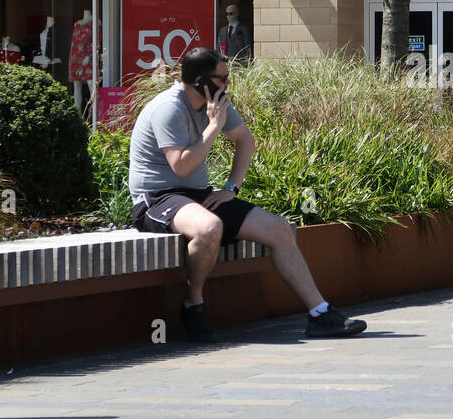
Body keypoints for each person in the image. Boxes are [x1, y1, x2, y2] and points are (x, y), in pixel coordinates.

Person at [128, 47, 367, 342]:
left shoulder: (216, 102)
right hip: (158, 198)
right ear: (202, 80)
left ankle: (320, 314)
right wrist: (214, 126)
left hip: (197, 195)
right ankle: (194, 305)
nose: (228, 84)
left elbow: (245, 140)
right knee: (209, 228)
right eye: (223, 79)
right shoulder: (169, 108)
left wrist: (231, 189)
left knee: (279, 229)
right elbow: (181, 165)